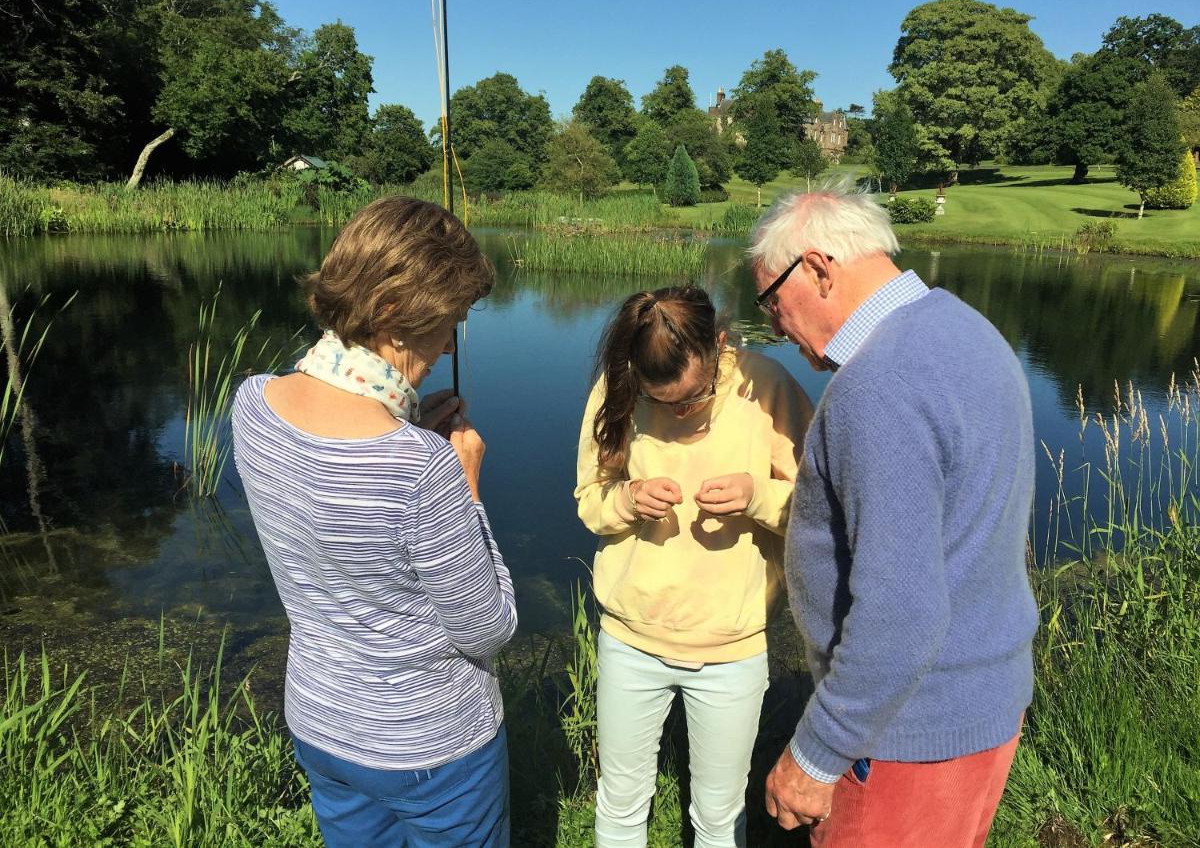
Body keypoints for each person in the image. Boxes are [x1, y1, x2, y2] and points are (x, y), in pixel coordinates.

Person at [751, 185, 1038, 847]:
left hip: (905, 733)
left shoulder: (879, 383)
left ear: (819, 269)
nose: (772, 328)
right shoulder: (966, 330)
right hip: (979, 709)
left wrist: (816, 754)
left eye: (771, 301)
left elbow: (901, 610)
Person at [231, 196, 518, 848]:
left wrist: (409, 429)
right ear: (392, 313)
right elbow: (488, 630)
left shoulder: (250, 405)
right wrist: (467, 489)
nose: (449, 346)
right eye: (449, 322)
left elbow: (333, 506)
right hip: (433, 749)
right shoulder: (422, 470)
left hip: (322, 724)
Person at [575, 285, 812, 848]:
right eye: (662, 402)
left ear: (720, 345)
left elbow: (820, 511)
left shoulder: (767, 389)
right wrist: (627, 501)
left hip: (731, 649)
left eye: (693, 397)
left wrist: (758, 496)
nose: (679, 412)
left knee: (718, 814)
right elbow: (590, 500)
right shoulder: (618, 389)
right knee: (621, 801)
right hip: (629, 639)